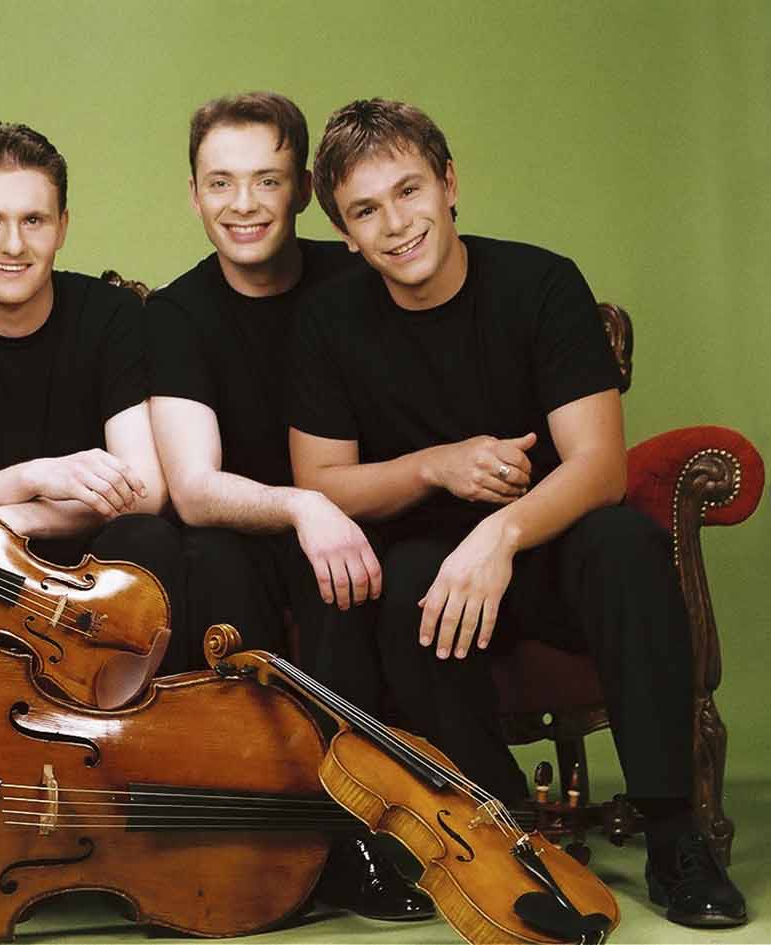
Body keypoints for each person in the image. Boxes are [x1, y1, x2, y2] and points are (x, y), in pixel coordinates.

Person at [290, 97, 747, 928]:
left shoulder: (539, 283)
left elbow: (598, 466)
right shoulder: (327, 321)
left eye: (408, 190)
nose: (396, 224)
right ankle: (509, 836)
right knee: (402, 582)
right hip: (429, 570)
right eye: (365, 210)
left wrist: (499, 533)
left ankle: (674, 834)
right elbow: (321, 482)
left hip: (548, 544)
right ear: (345, 234)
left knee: (624, 542)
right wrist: (434, 466)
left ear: (448, 183)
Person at [145, 92, 431, 922]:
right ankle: (257, 843)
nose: (242, 204)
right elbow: (194, 488)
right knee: (216, 565)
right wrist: (304, 506)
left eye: (266, 180)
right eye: (220, 182)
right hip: (239, 529)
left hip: (362, 519)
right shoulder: (176, 315)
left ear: (304, 188)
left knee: (342, 575)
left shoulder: (361, 274)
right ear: (193, 193)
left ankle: (354, 840)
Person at [0, 122, 187, 673]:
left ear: (62, 226)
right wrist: (34, 476)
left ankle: (130, 716)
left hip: (91, 567)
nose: (13, 244)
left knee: (149, 539)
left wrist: (14, 518)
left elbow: (145, 491)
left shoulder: (112, 316)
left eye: (33, 220)